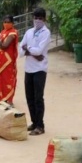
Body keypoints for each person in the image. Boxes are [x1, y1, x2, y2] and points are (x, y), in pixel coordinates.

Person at [19, 8, 51, 136]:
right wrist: (31, 51)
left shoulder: (46, 33)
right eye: (36, 17)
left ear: (44, 19)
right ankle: (34, 122)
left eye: (40, 18)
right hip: (29, 68)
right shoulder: (29, 32)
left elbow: (39, 51)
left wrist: (28, 49)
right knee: (29, 97)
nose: (37, 20)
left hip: (40, 69)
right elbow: (20, 51)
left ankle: (40, 125)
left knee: (38, 98)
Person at [0, 15, 19, 105]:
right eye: (5, 22)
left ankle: (8, 100)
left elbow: (5, 45)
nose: (6, 24)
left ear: (12, 23)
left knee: (8, 79)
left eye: (8, 22)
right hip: (0, 59)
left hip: (8, 60)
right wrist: (0, 43)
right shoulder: (3, 31)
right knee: (0, 79)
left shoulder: (13, 32)